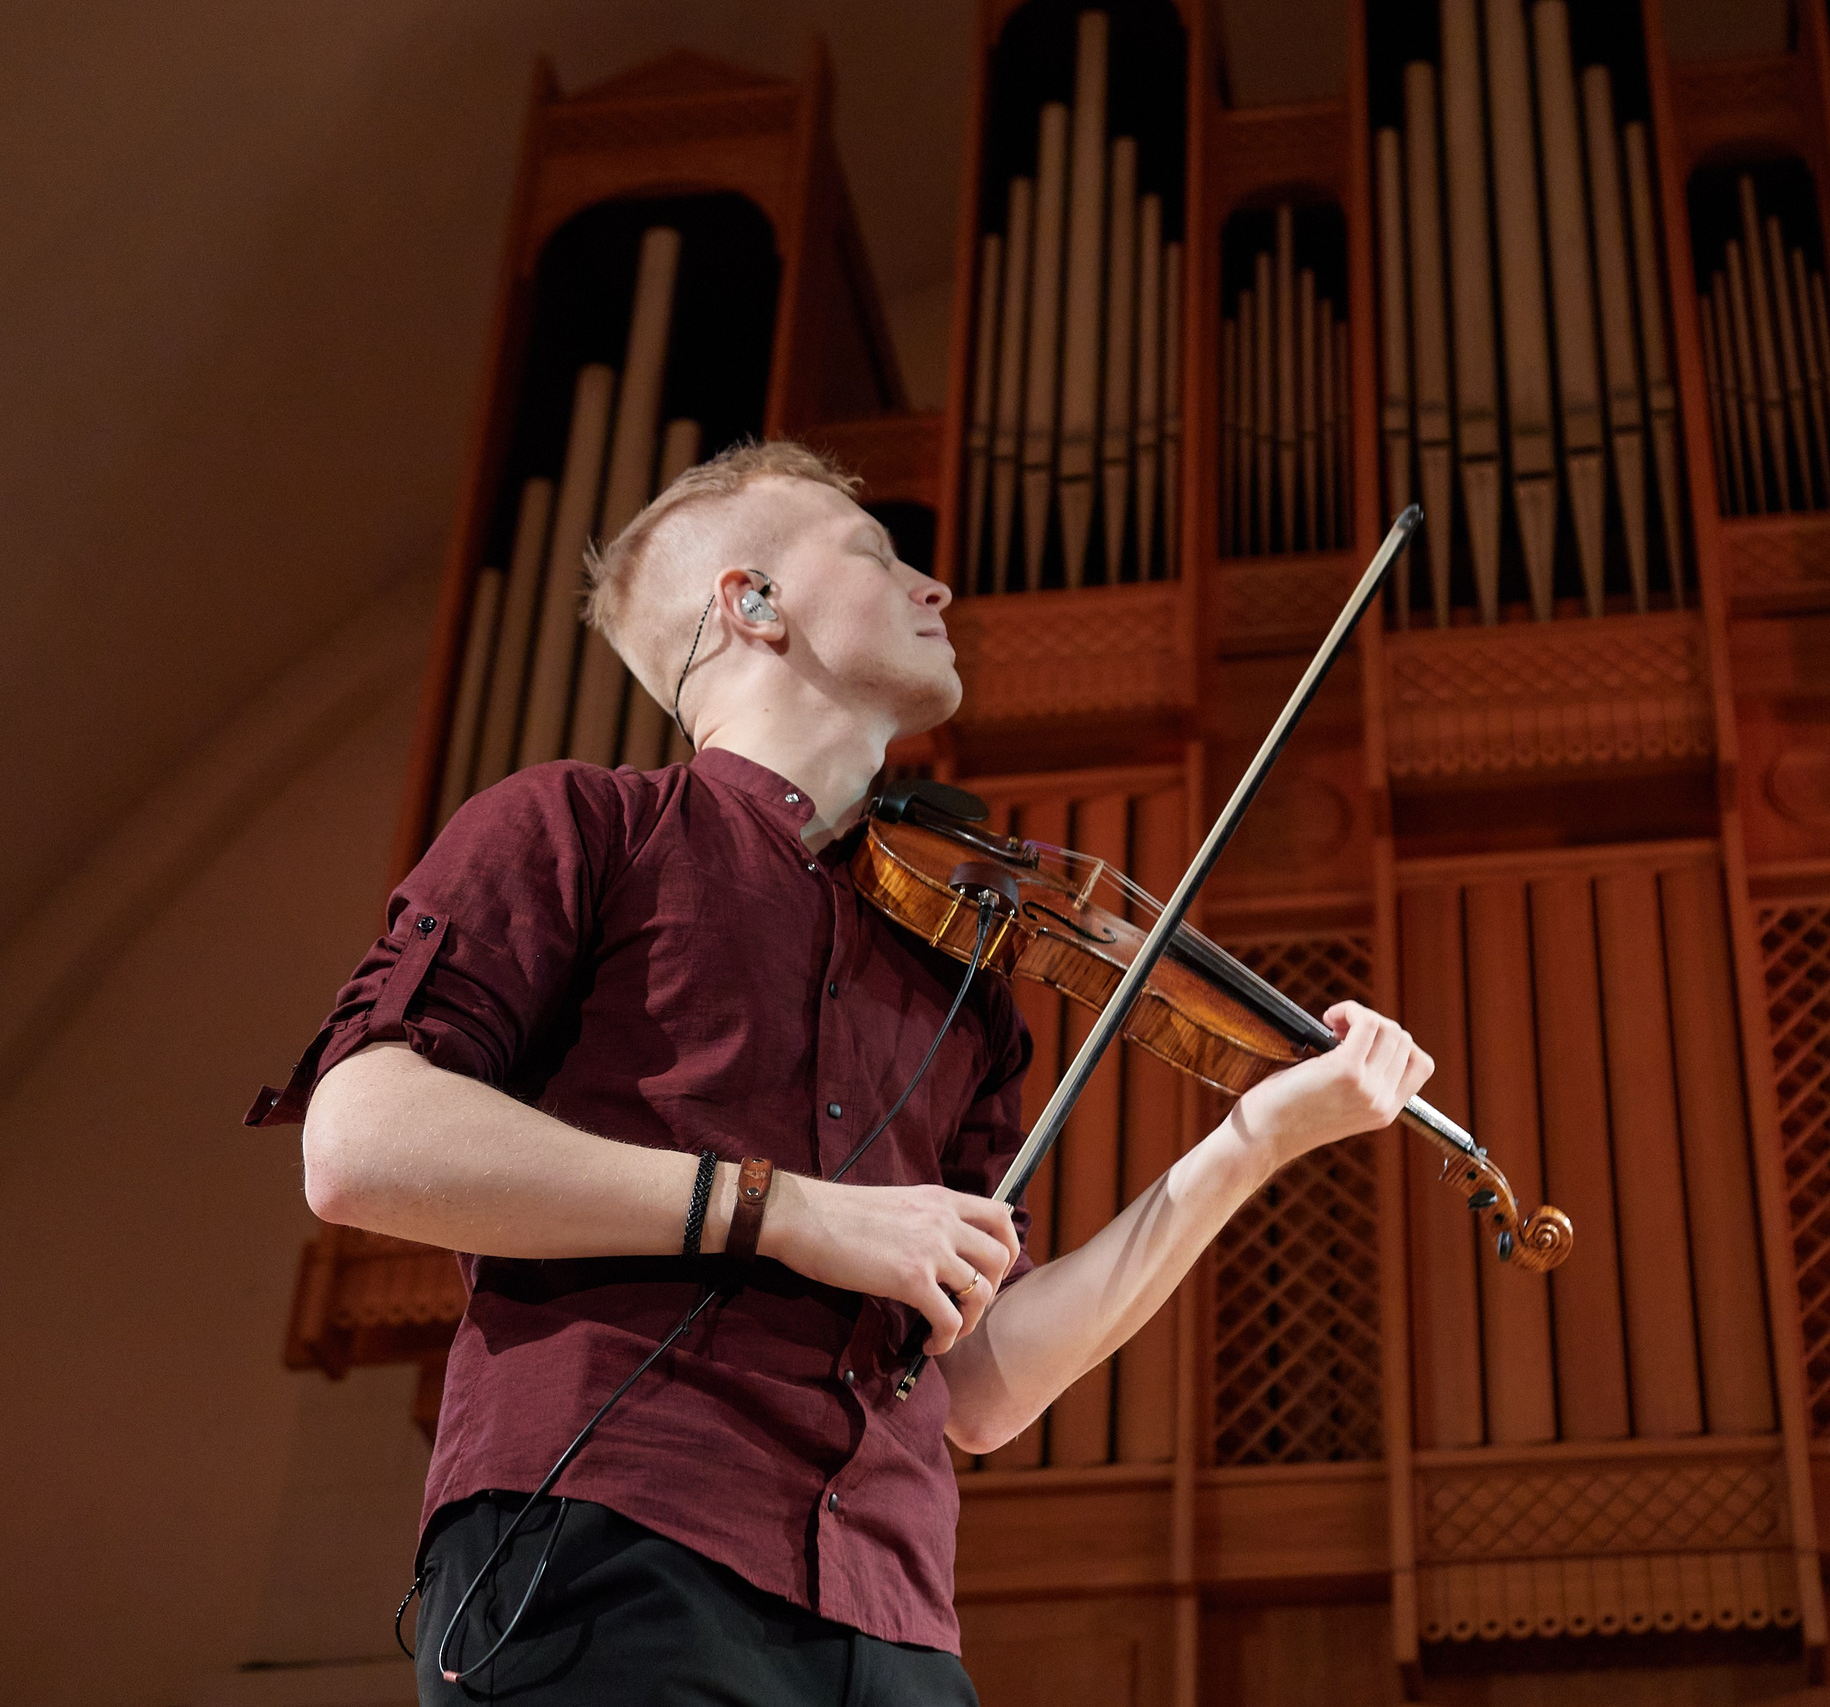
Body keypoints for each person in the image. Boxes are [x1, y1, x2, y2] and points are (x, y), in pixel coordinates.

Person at [249, 439, 1433, 1705]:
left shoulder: (962, 971)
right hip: (606, 1539)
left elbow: (978, 1386)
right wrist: (791, 1212)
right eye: (876, 554)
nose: (936, 589)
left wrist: (1253, 1140)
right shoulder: (580, 824)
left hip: (894, 1613)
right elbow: (359, 1140)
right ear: (750, 603)